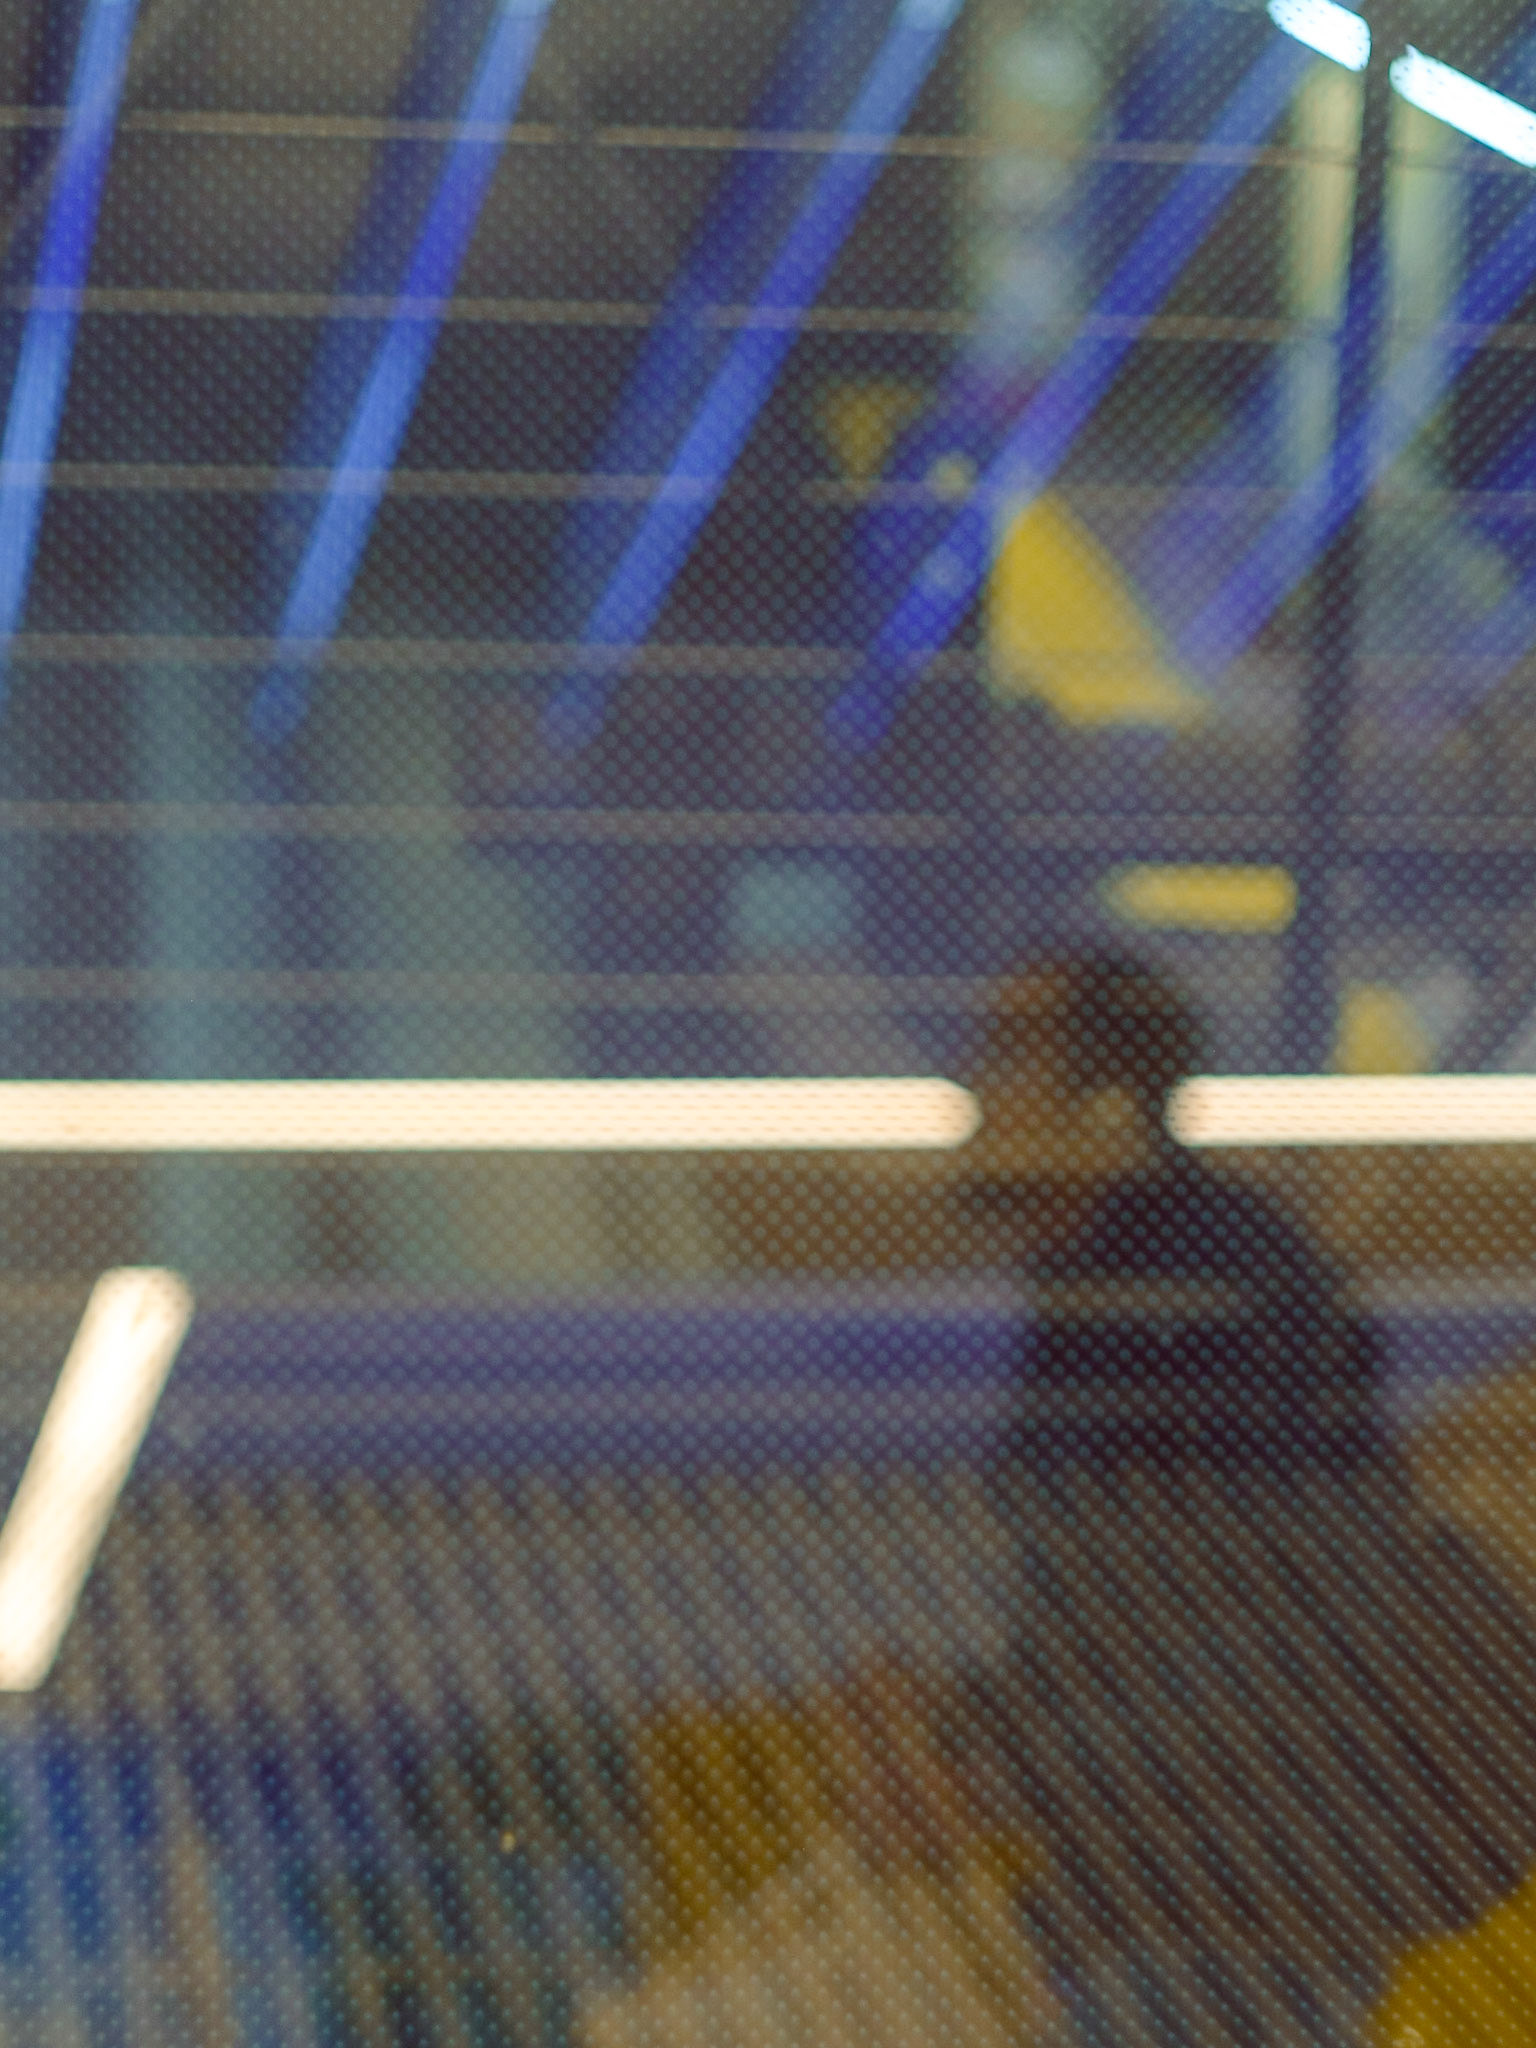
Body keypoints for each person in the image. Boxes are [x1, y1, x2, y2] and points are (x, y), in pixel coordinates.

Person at [957, 950, 1380, 1480]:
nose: (974, 1086)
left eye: (1008, 1056)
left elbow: (1240, 1507)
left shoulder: (1200, 1278)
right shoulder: (1085, 1268)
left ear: (1109, 1104)